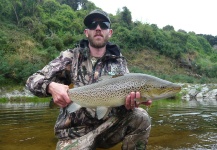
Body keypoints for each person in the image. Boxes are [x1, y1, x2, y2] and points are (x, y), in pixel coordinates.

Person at [26, 9, 151, 150]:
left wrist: (131, 103)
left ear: (109, 32)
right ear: (87, 32)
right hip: (74, 134)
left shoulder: (119, 62)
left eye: (103, 25)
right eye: (93, 25)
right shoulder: (70, 57)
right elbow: (32, 80)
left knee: (141, 116)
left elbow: (123, 100)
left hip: (107, 129)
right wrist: (50, 87)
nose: (98, 28)